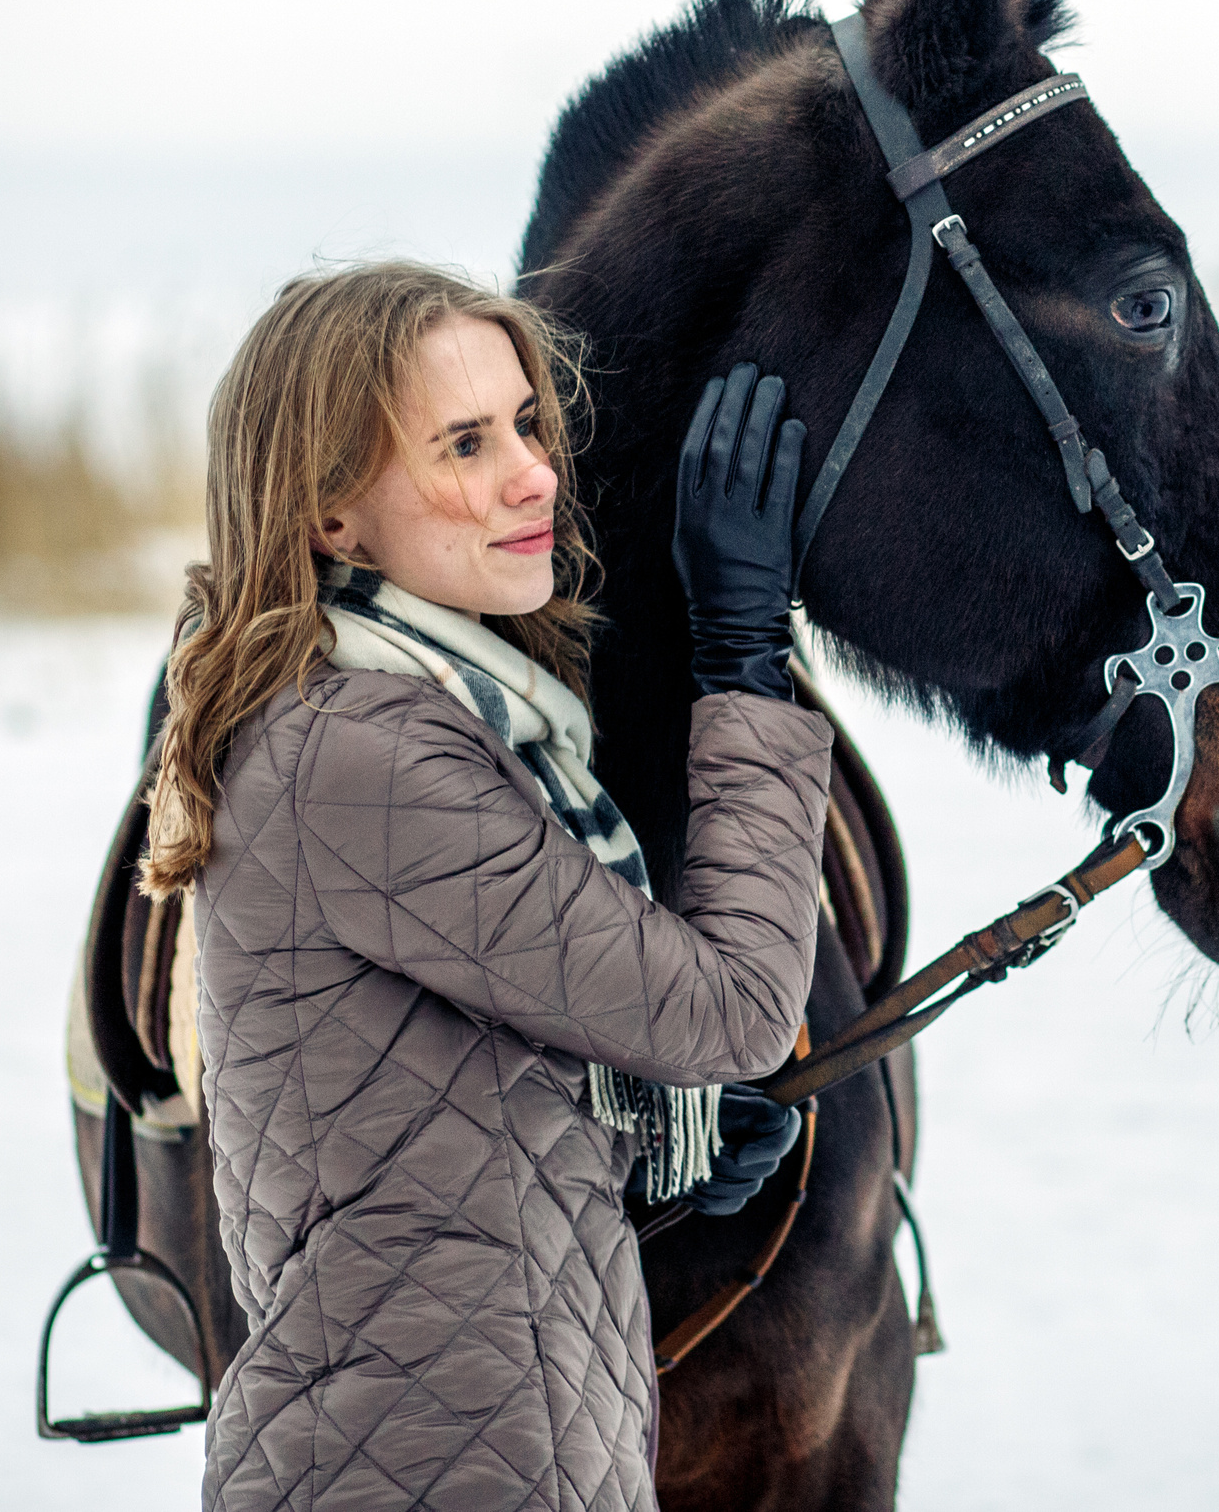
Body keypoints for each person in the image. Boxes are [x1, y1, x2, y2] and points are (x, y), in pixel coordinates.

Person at [139, 261, 830, 1510]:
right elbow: (729, 1009)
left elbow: (439, 1155)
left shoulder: (448, 726)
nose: (535, 476)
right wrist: (742, 655)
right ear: (329, 515)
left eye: (525, 425)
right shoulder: (364, 752)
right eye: (465, 444)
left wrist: (645, 1147)